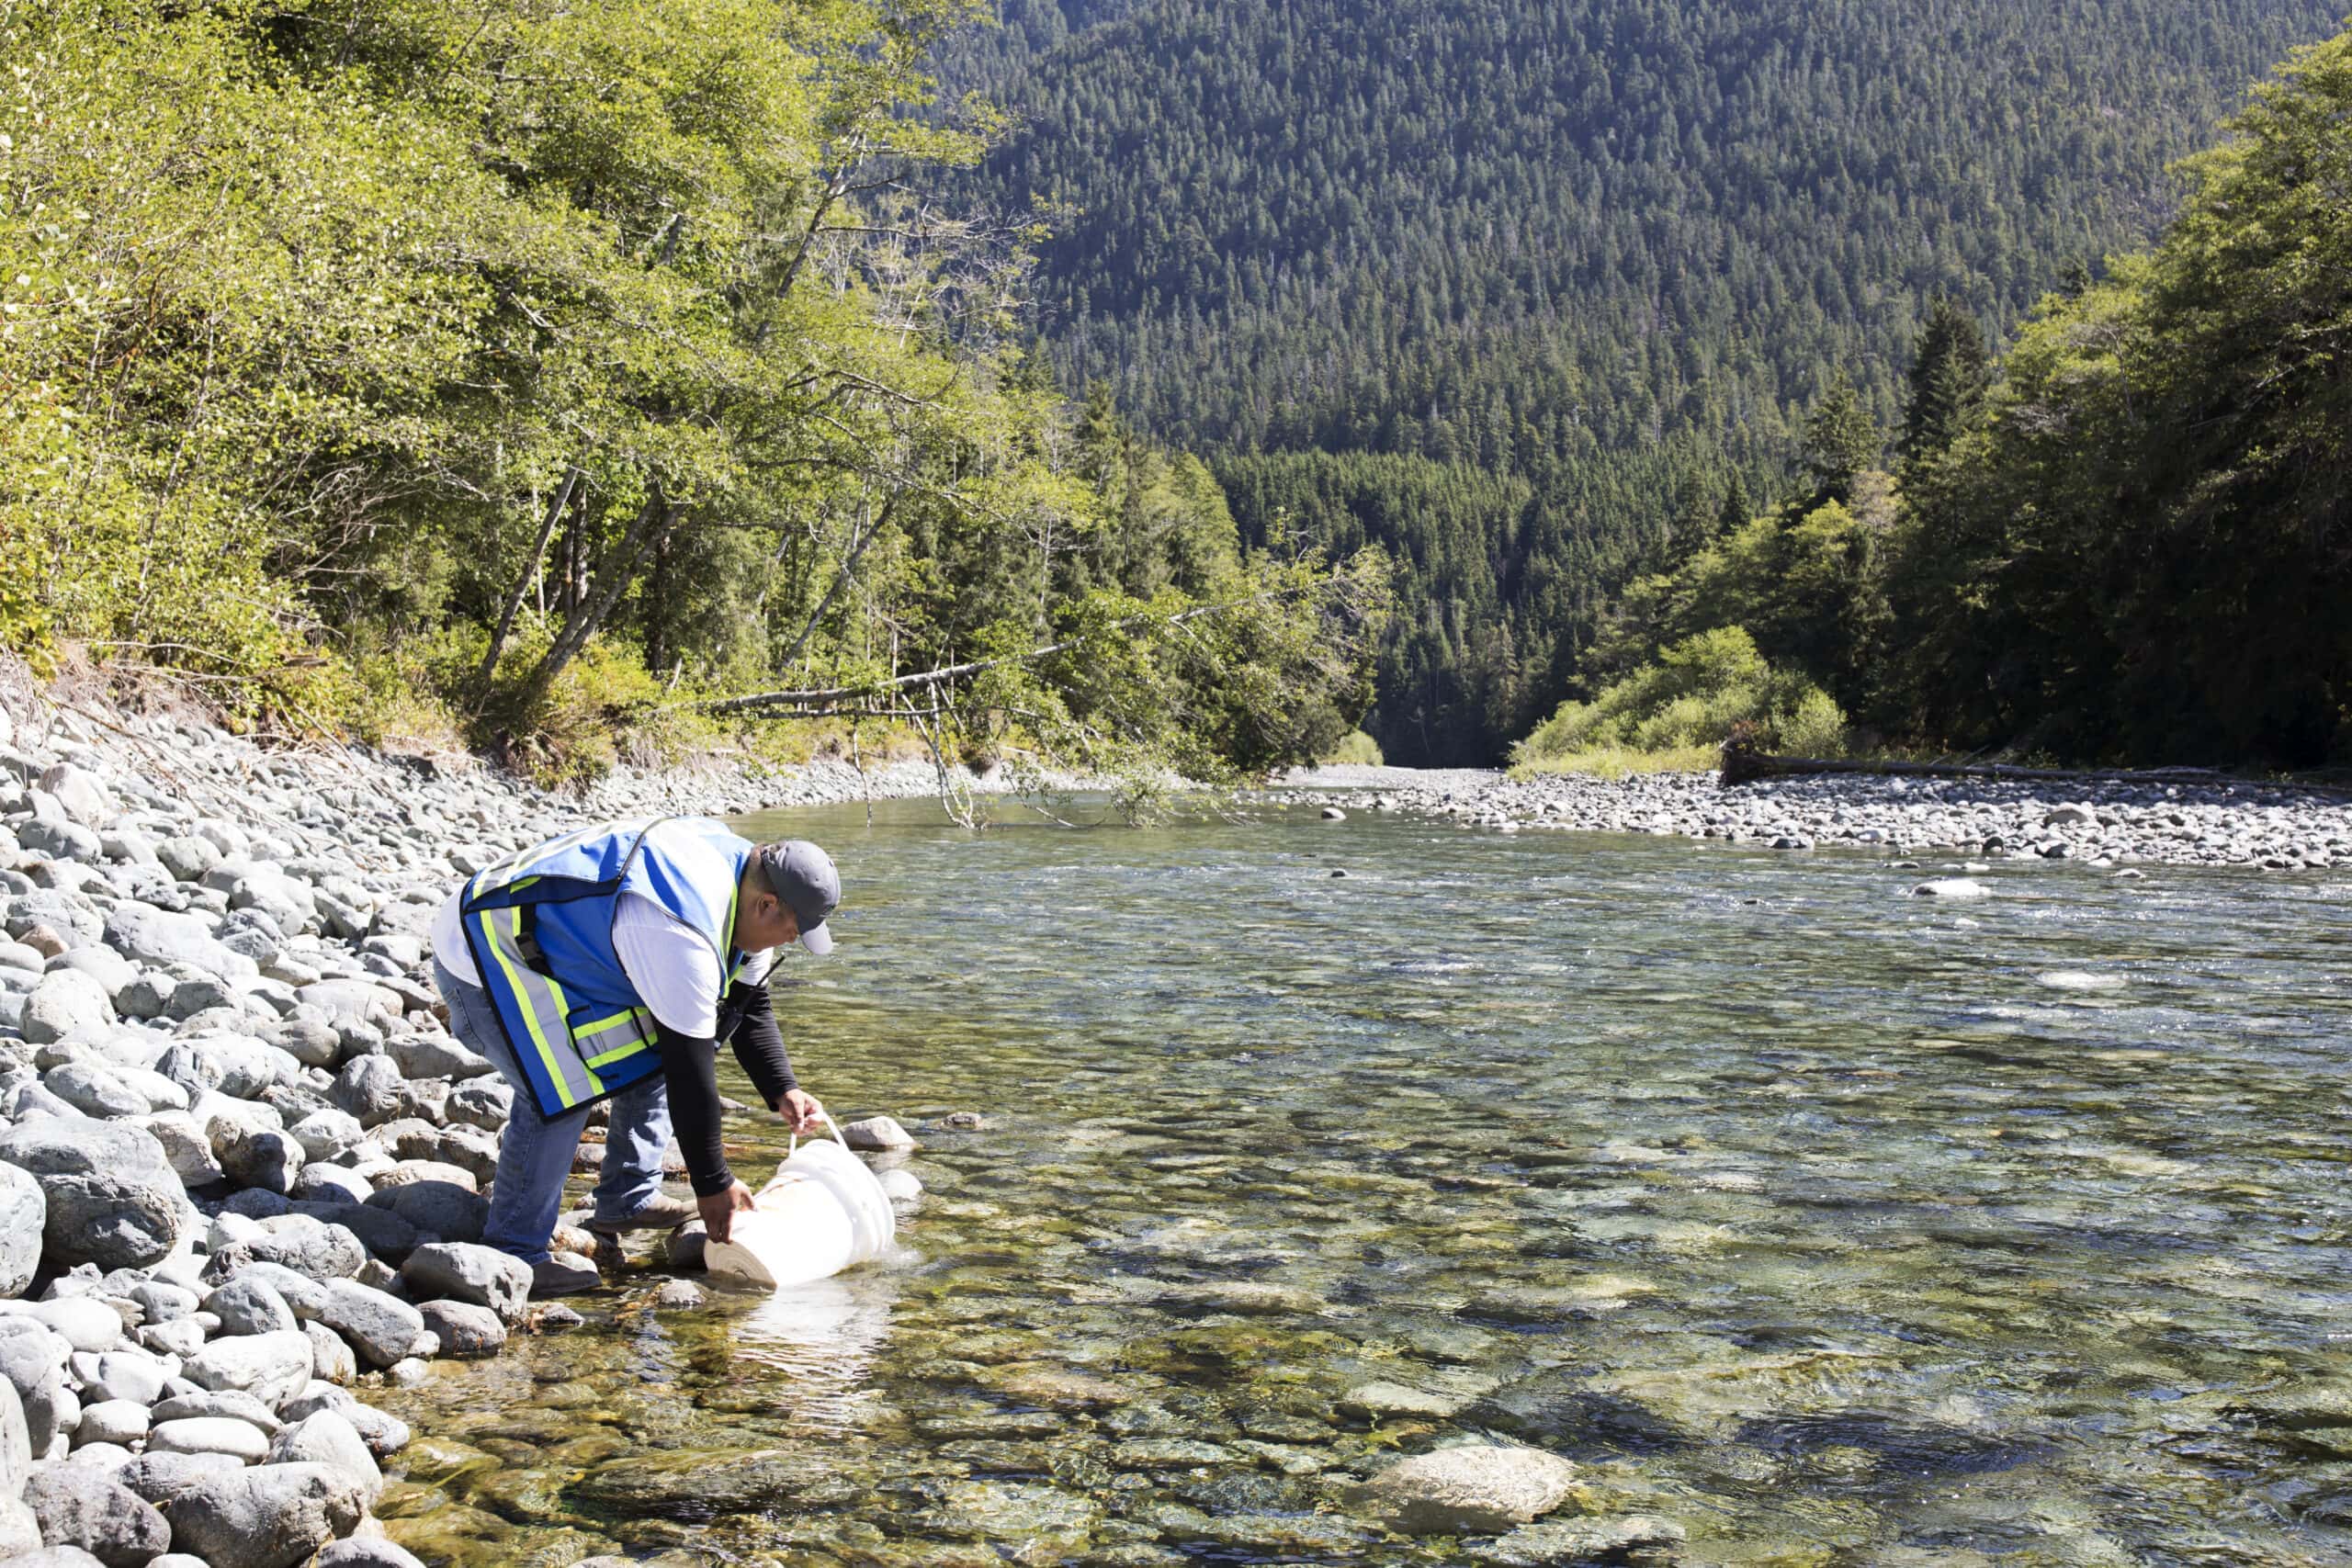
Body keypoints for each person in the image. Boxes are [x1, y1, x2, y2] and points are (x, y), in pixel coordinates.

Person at [427, 817, 839, 1297]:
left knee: (662, 1038)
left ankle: (628, 1197)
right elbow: (691, 1073)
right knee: (563, 1086)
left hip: (564, 947)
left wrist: (781, 1088)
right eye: (794, 931)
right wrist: (713, 1185)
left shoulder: (750, 893)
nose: (793, 941)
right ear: (767, 905)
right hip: (484, 950)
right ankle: (516, 1252)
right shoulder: (680, 926)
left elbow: (749, 1008)